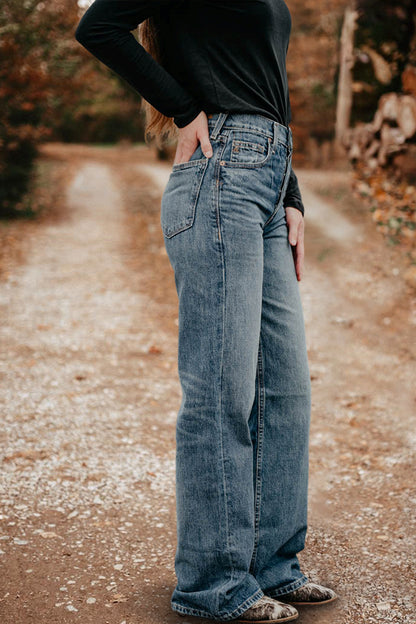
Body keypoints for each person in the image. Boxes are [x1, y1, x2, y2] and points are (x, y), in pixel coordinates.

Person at [75, 1, 338, 622]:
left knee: (286, 391)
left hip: (269, 181)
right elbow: (98, 25)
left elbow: (267, 83)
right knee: (220, 391)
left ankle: (272, 565)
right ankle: (213, 584)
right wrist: (187, 109)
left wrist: (292, 191)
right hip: (221, 173)